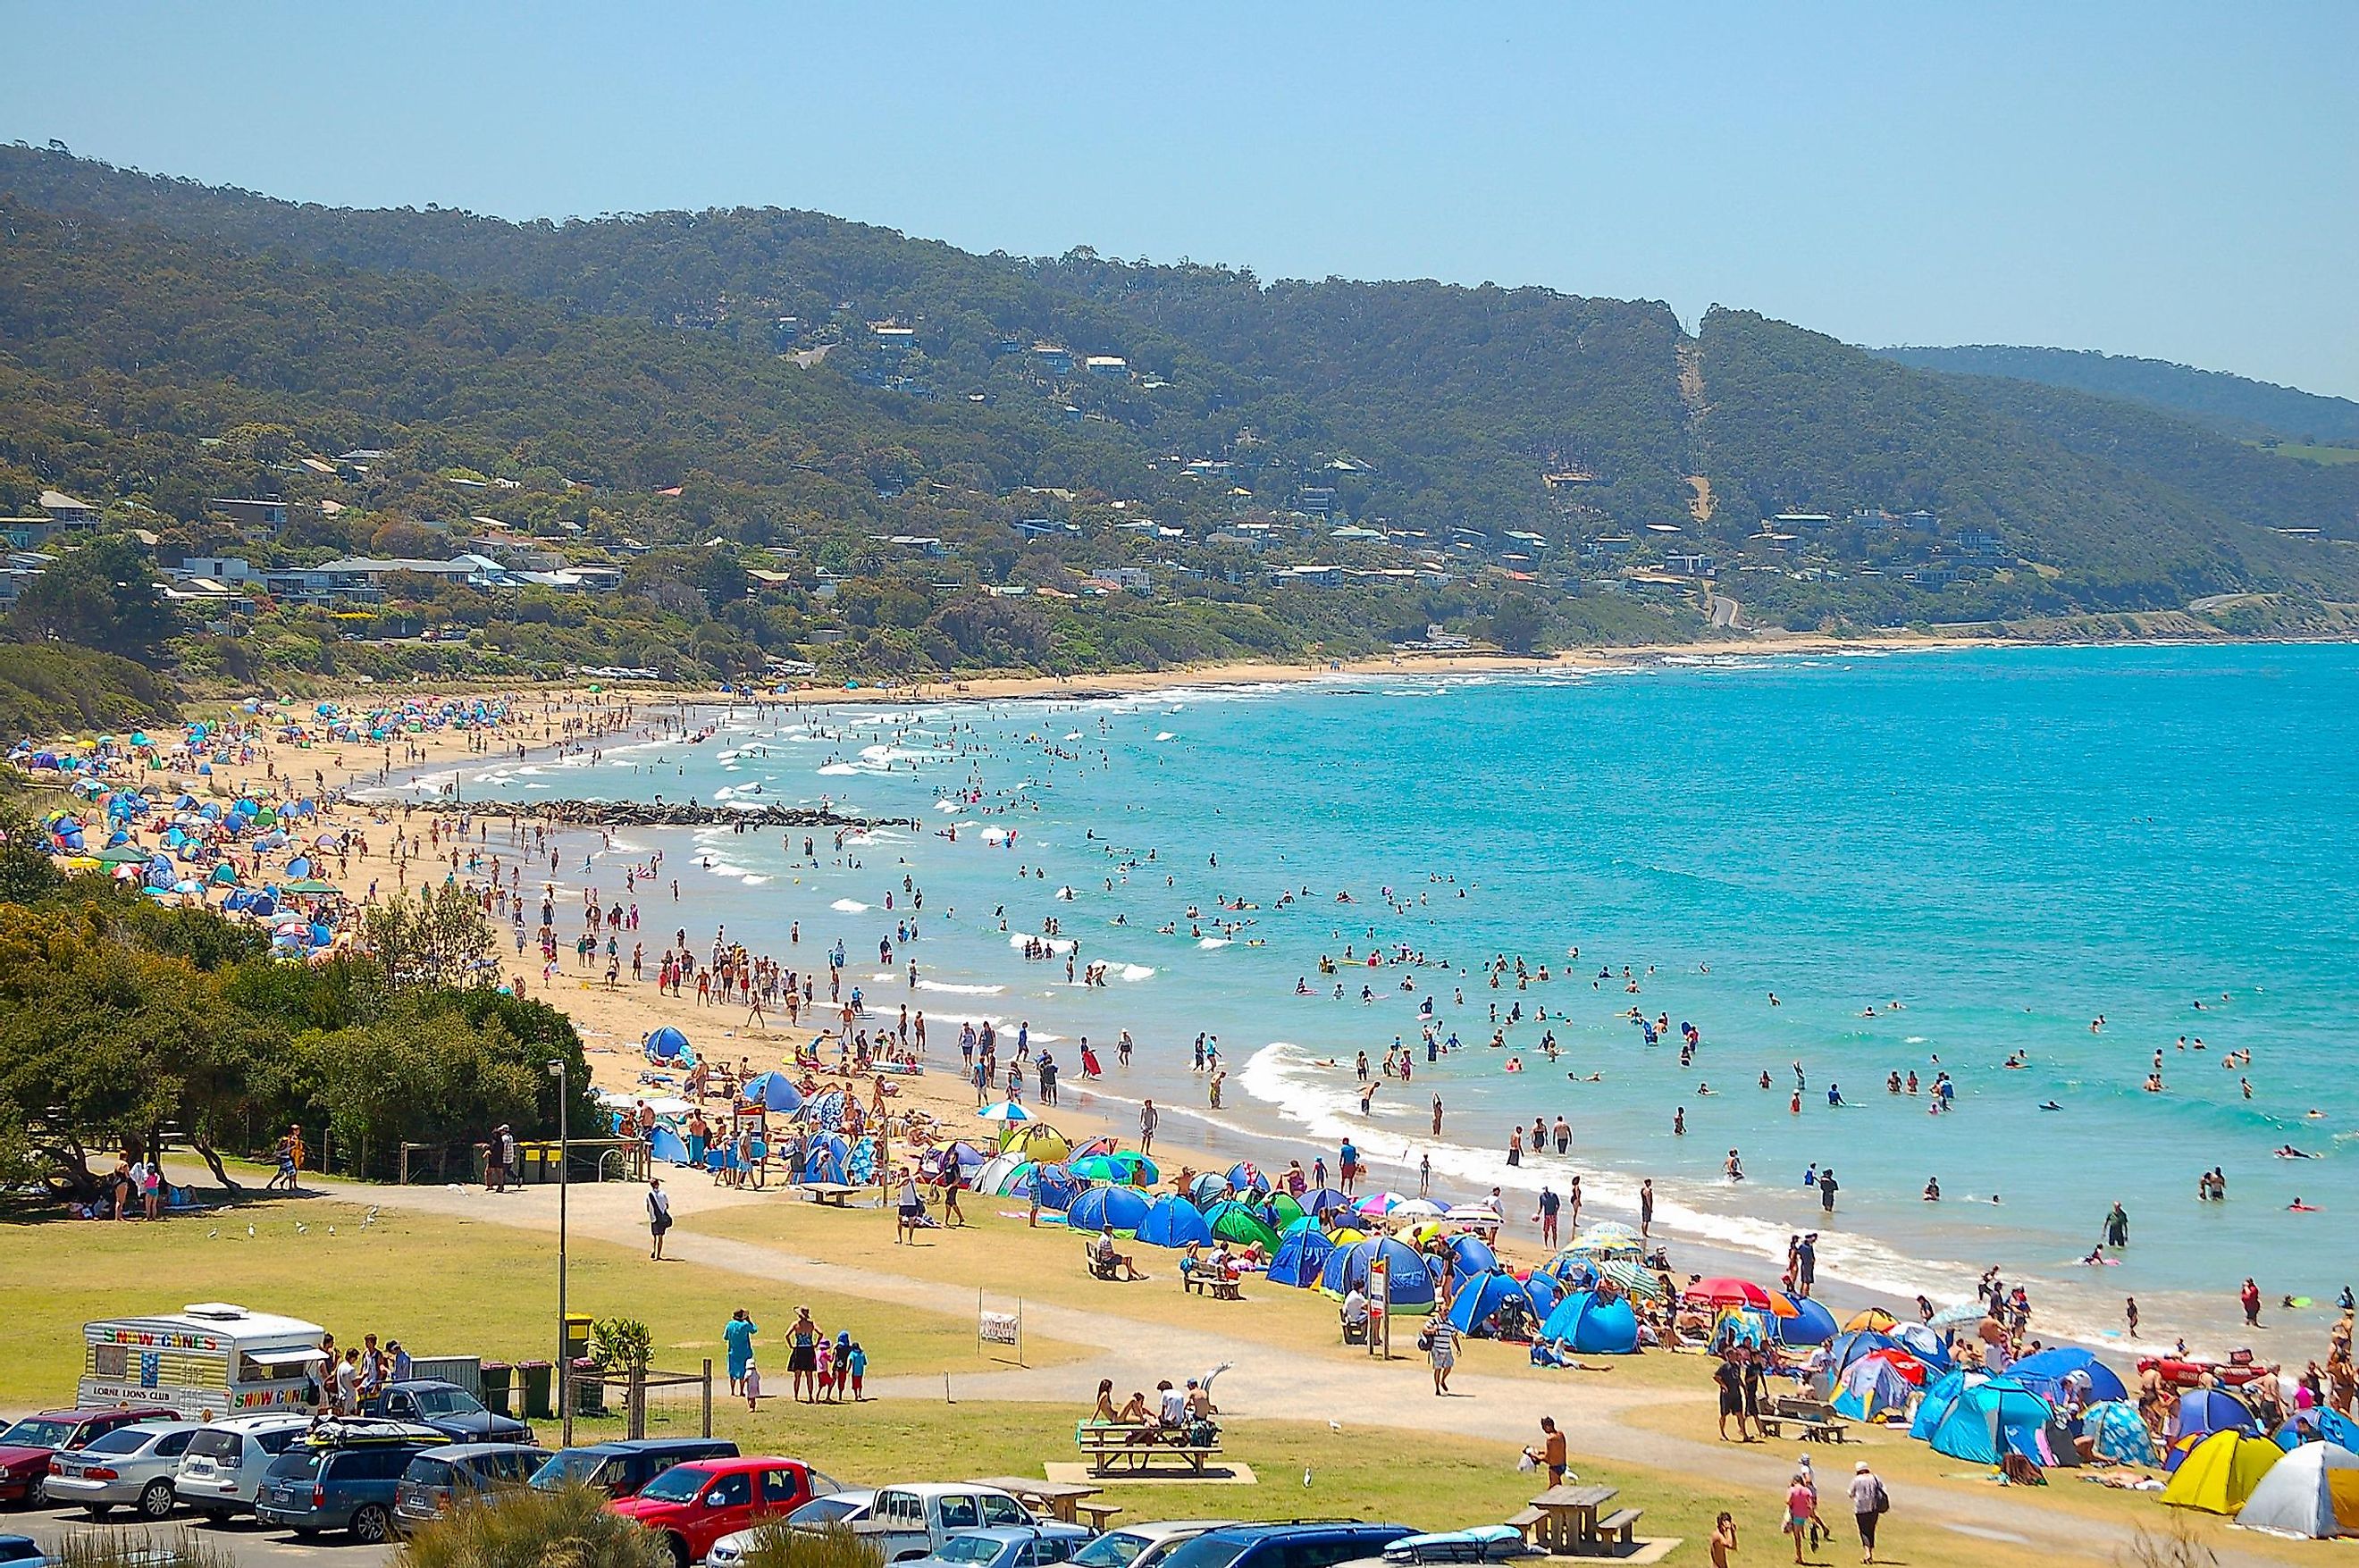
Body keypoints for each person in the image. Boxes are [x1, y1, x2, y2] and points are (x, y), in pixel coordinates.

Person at [1848, 1461, 1887, 1564]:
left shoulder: (1856, 1480)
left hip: (1860, 1509)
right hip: (1874, 1508)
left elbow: (1850, 1493)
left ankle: (1867, 1553)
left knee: (1863, 1530)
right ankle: (1870, 1552)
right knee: (1871, 1529)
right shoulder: (1875, 1478)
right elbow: (1883, 1489)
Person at [787, 1306, 822, 1403]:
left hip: (799, 1350)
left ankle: (796, 1396)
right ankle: (810, 1396)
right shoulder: (811, 1324)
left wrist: (791, 1346)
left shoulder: (796, 1324)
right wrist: (816, 1344)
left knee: (797, 1375)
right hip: (809, 1350)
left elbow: (787, 1335)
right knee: (809, 1374)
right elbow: (820, 1333)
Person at [1524, 1415, 1568, 1486]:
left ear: (1547, 1427)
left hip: (1554, 1468)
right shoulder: (1560, 1435)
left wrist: (1532, 1454)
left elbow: (1547, 1458)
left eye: (1544, 1428)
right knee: (1558, 1487)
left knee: (1553, 1489)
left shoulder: (1550, 1439)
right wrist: (1540, 1452)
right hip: (1563, 1465)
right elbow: (1555, 1452)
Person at [1784, 1470, 1817, 1564]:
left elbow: (1788, 1501)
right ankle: (1799, 1556)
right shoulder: (1807, 1490)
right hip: (1803, 1515)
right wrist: (1812, 1516)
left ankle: (1799, 1556)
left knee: (1797, 1537)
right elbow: (1811, 1504)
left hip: (1795, 1514)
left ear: (1794, 1481)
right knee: (1798, 1534)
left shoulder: (1792, 1490)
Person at [724, 1309, 759, 1396]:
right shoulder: (745, 1325)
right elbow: (754, 1330)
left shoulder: (730, 1325)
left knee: (733, 1372)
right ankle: (741, 1391)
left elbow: (725, 1337)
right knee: (743, 1372)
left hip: (733, 1352)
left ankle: (732, 1391)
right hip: (745, 1352)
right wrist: (749, 1320)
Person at [1423, 1312, 1459, 1395]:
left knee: (1449, 1367)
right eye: (1445, 1310)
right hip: (1437, 1349)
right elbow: (1424, 1330)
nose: (1447, 1312)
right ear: (1440, 1312)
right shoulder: (1434, 1321)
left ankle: (1442, 1380)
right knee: (1438, 1369)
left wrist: (1458, 1348)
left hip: (1447, 1349)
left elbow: (1453, 1336)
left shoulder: (1450, 1323)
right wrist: (1432, 1330)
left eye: (1448, 1311)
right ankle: (1437, 1389)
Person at [645, 1177, 672, 1260]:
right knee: (661, 1237)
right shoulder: (663, 1194)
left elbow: (647, 1208)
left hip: (654, 1218)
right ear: (658, 1185)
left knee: (654, 1236)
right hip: (662, 1217)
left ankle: (653, 1249)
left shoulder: (649, 1195)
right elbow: (667, 1205)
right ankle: (658, 1255)